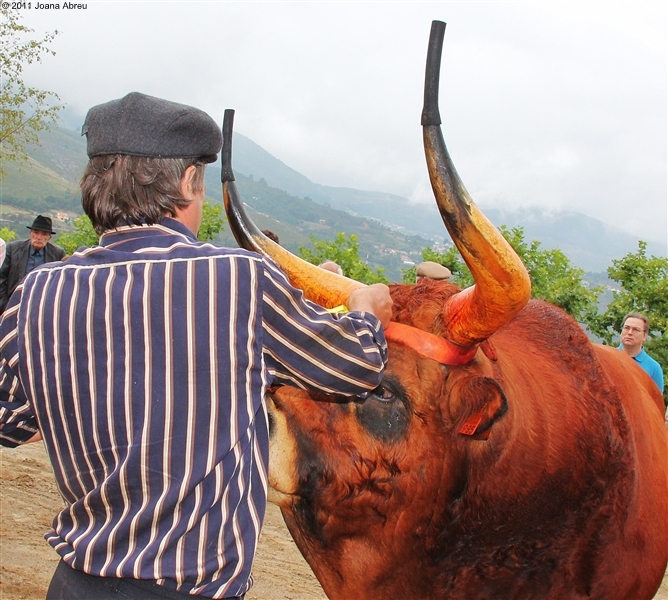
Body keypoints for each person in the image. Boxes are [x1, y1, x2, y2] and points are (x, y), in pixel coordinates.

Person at [0, 92, 392, 600]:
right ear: (188, 182)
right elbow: (355, 367)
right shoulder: (238, 279)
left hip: (75, 582)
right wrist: (365, 309)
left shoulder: (35, 295)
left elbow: (11, 422)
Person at [0, 215, 66, 313]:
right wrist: (4, 306)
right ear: (30, 233)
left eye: (44, 234)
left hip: (42, 307)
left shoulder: (57, 254)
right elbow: (1, 278)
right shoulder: (13, 249)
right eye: (36, 233)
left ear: (49, 237)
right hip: (13, 304)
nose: (39, 237)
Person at [618, 312, 664, 392]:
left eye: (636, 329)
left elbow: (656, 402)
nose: (629, 333)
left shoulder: (653, 368)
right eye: (627, 328)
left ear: (645, 336)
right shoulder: (606, 358)